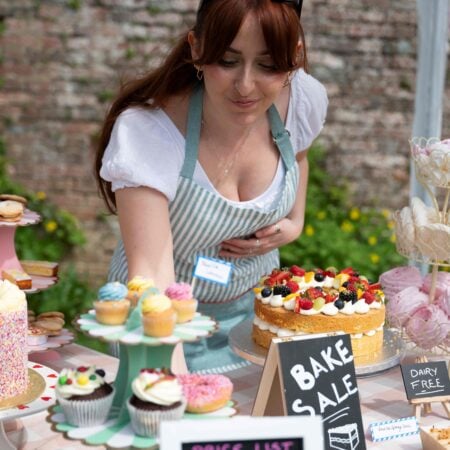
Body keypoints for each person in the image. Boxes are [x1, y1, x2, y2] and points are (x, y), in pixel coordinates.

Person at [94, 0, 328, 374]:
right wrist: (173, 387)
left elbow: (298, 155)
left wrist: (295, 222)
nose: (245, 85)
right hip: (165, 325)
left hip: (259, 320)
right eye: (228, 61)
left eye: (268, 64)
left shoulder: (301, 101)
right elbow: (151, 277)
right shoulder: (150, 132)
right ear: (197, 49)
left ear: (294, 58)